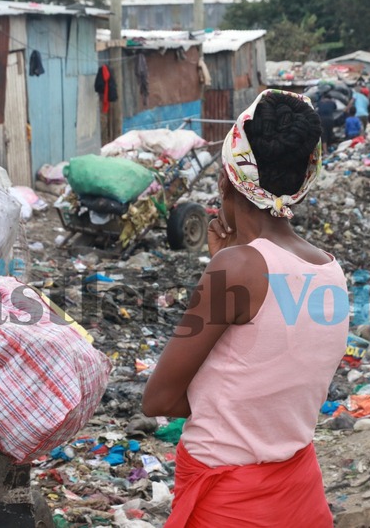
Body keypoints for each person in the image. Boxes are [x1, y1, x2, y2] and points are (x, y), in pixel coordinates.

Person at [142, 89, 348, 528]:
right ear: (304, 178)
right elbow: (270, 378)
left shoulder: (236, 269)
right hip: (300, 496)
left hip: (230, 501)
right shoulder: (330, 271)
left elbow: (158, 399)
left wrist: (228, 258)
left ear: (226, 177)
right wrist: (235, 251)